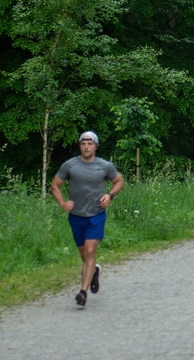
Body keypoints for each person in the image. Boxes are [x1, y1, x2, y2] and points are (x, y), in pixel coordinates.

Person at [50, 131, 124, 307]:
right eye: (83, 143)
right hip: (76, 215)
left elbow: (119, 181)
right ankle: (94, 271)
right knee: (85, 255)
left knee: (90, 251)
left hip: (96, 214)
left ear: (95, 146)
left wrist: (110, 196)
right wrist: (62, 203)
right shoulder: (70, 166)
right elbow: (55, 185)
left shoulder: (105, 166)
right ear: (80, 146)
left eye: (90, 144)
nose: (86, 146)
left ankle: (83, 292)